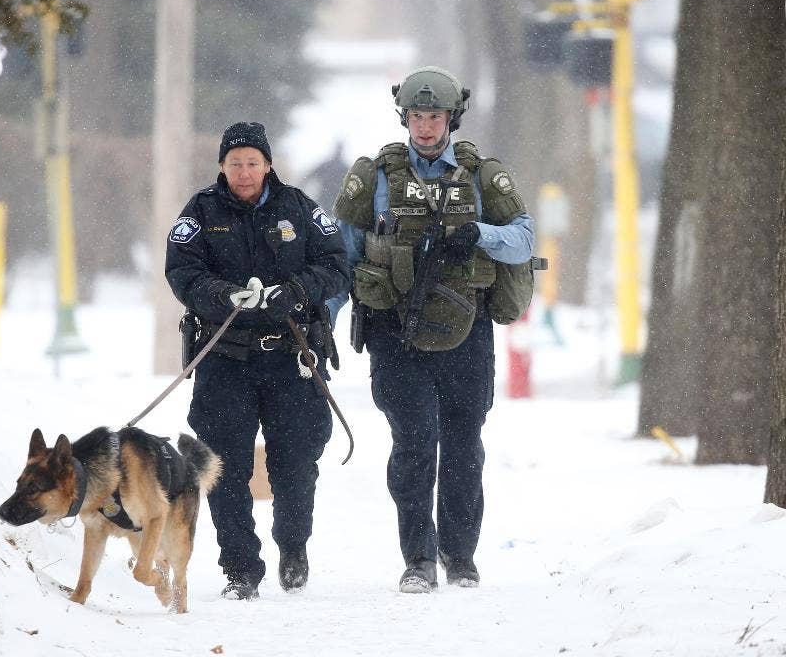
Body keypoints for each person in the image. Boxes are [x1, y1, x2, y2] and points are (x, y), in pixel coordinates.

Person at [329, 67, 535, 593]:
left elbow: (523, 241)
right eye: (417, 116)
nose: (425, 127)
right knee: (415, 442)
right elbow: (341, 256)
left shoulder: (483, 175)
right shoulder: (375, 176)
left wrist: (479, 233)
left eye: (435, 116)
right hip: (394, 330)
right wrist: (324, 323)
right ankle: (418, 558)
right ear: (405, 117)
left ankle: (459, 556)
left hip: (467, 328)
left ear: (452, 119)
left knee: (465, 445)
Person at [165, 121, 350, 600]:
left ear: (268, 164)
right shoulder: (200, 212)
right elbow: (182, 272)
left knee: (296, 464)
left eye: (252, 162)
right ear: (222, 167)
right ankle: (241, 568)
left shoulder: (299, 208)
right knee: (223, 469)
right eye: (234, 163)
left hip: (292, 359)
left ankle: (293, 547)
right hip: (225, 361)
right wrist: (223, 296)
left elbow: (335, 266)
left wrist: (297, 291)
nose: (244, 173)